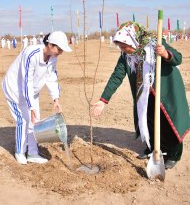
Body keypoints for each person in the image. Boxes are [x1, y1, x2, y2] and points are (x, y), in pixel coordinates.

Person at [91, 21, 190, 170]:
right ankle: (152, 149)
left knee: (167, 122)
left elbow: (178, 58)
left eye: (124, 46)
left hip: (165, 90)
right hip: (144, 93)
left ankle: (173, 154)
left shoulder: (155, 44)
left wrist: (165, 53)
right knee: (148, 119)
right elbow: (116, 76)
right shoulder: (125, 56)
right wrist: (103, 100)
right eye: (120, 47)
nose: (123, 50)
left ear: (133, 40)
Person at [2, 31, 72, 165]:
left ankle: (33, 153)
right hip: (15, 90)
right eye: (59, 49)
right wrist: (31, 106)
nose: (61, 52)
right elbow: (26, 81)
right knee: (23, 120)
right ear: (50, 44)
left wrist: (55, 99)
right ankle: (20, 152)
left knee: (35, 122)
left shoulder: (53, 57)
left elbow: (51, 76)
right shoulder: (31, 54)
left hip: (31, 92)